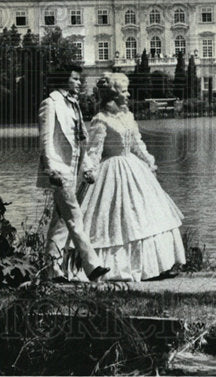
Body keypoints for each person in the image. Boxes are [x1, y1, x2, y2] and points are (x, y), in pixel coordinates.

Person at [79, 72, 185, 282]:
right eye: (124, 91)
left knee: (147, 214)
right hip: (112, 171)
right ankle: (119, 266)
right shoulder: (100, 120)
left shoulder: (128, 116)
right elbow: (94, 151)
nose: (128, 95)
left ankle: (159, 265)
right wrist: (89, 170)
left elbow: (137, 143)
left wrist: (148, 160)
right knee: (119, 221)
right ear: (112, 94)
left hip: (134, 169)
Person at [38, 65, 110, 282]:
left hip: (75, 170)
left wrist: (87, 166)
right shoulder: (50, 104)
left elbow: (80, 142)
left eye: (80, 80)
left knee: (60, 221)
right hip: (60, 170)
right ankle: (92, 265)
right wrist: (51, 168)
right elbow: (45, 140)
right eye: (75, 79)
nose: (79, 83)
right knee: (75, 217)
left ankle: (51, 269)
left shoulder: (73, 104)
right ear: (64, 80)